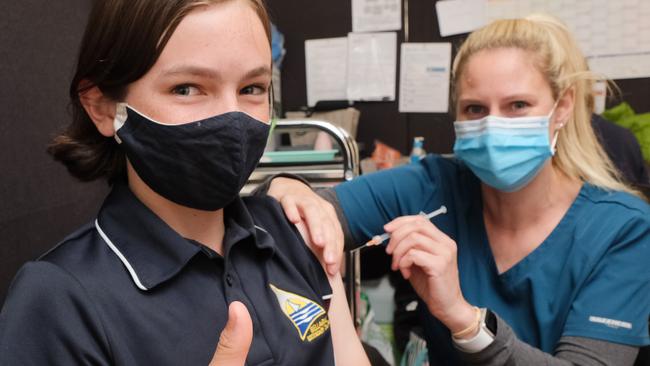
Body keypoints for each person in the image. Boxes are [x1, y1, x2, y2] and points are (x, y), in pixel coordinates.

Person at [263, 14, 650, 365]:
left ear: (562, 108)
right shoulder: (433, 185)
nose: (493, 126)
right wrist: (285, 187)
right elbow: (299, 218)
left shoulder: (621, 229)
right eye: (475, 110)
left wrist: (464, 320)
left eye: (517, 105)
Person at [0, 1, 367, 365]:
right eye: (187, 88)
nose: (232, 117)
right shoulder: (60, 300)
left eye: (253, 88)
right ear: (104, 107)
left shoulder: (293, 233)